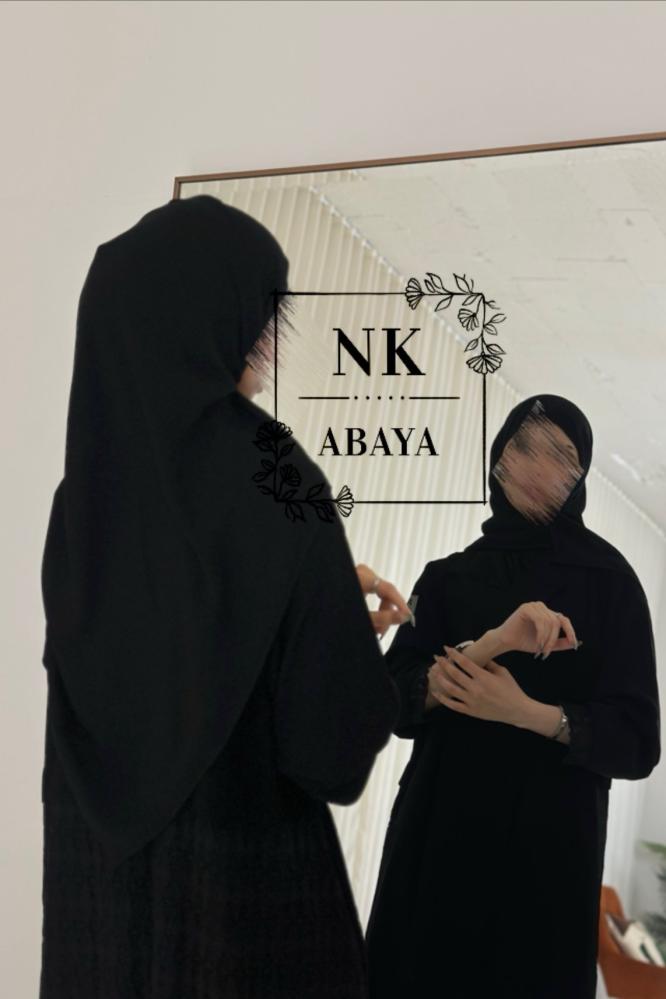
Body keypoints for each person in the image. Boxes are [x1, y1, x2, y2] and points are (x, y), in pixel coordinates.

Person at [38, 194, 413, 998]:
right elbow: (329, 753)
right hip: (244, 918)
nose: (265, 344)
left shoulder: (83, 501)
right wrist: (341, 632)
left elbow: (162, 640)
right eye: (260, 319)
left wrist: (306, 600)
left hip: (99, 920)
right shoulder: (275, 476)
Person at [365, 394, 661, 999]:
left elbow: (637, 742)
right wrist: (487, 648)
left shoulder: (611, 583)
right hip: (438, 838)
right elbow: (393, 700)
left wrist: (529, 714)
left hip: (547, 855)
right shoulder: (446, 578)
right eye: (522, 447)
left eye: (560, 456)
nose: (536, 468)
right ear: (499, 456)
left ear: (579, 476)